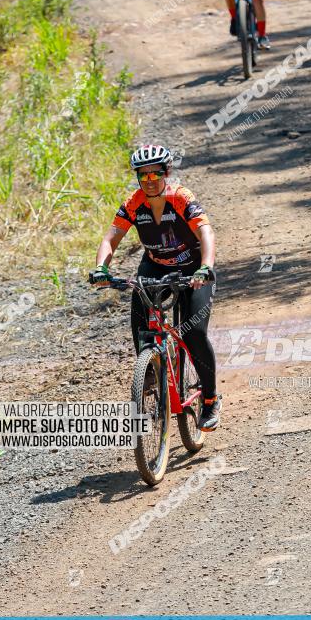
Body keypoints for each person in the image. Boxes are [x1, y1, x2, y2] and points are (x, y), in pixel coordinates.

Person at [89, 144, 222, 432]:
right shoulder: (134, 203)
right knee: (140, 317)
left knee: (194, 332)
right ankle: (149, 370)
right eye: (143, 176)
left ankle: (210, 399)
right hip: (156, 265)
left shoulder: (181, 197)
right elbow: (111, 238)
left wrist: (206, 267)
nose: (149, 181)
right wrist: (101, 268)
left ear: (167, 173)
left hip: (192, 267)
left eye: (155, 175)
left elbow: (205, 231)